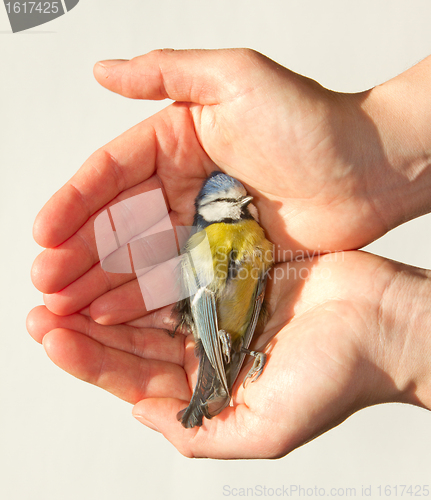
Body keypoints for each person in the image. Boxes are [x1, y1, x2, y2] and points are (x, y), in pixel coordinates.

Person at [27, 49, 431, 459]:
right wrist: (391, 330)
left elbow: (255, 292)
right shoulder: (209, 241)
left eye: (242, 200)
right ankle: (210, 385)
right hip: (217, 327)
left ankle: (212, 383)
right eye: (230, 203)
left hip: (229, 328)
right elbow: (207, 303)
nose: (243, 205)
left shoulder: (255, 234)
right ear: (210, 211)